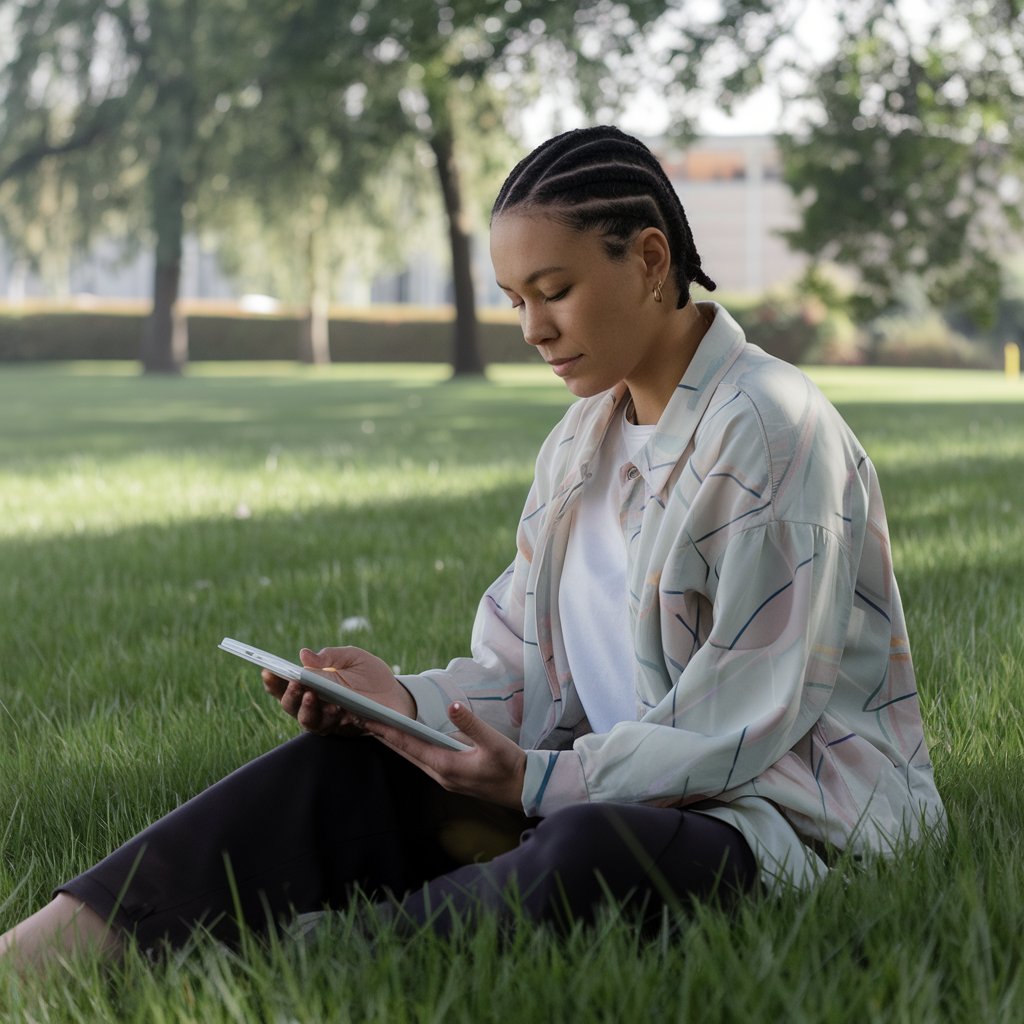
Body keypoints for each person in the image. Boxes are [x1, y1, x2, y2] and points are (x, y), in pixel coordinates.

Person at [0, 126, 945, 969]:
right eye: (514, 300)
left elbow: (736, 729)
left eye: (556, 292)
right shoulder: (583, 439)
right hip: (589, 788)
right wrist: (402, 705)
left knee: (585, 856)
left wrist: (537, 781)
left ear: (651, 260)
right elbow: (518, 670)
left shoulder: (771, 430)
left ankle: (301, 965)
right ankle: (45, 955)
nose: (533, 330)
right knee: (342, 769)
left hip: (771, 826)